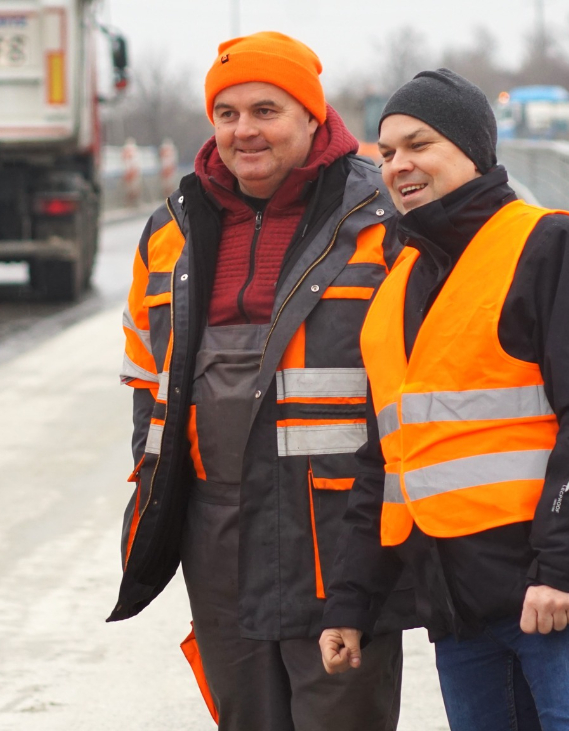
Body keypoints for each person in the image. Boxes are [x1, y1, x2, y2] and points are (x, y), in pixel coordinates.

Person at [318, 69, 569, 731]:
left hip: (558, 595)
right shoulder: (395, 289)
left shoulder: (554, 245)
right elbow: (383, 462)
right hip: (457, 608)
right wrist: (350, 603)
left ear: (472, 148)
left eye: (419, 144)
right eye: (385, 154)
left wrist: (561, 568)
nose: (398, 165)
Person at [109, 31, 413, 731]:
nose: (244, 130)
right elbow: (143, 382)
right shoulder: (170, 232)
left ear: (312, 116)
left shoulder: (380, 222)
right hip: (215, 528)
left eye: (267, 109)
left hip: (339, 527)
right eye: (228, 112)